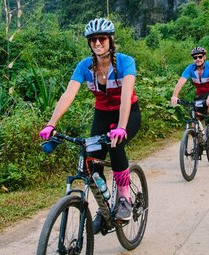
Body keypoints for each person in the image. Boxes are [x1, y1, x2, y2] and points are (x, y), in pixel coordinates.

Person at [38, 18, 141, 233]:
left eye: (102, 38)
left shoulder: (125, 62)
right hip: (102, 115)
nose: (97, 43)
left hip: (128, 113)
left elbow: (125, 97)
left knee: (116, 145)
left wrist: (121, 127)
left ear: (111, 40)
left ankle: (124, 200)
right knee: (91, 161)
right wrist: (51, 123)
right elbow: (69, 94)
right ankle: (104, 211)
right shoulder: (84, 66)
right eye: (93, 39)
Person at [170, 46, 209, 137]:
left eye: (200, 57)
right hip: (200, 95)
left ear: (204, 57)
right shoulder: (190, 68)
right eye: (195, 57)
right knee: (194, 122)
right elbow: (181, 82)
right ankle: (197, 145)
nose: (198, 59)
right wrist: (174, 95)